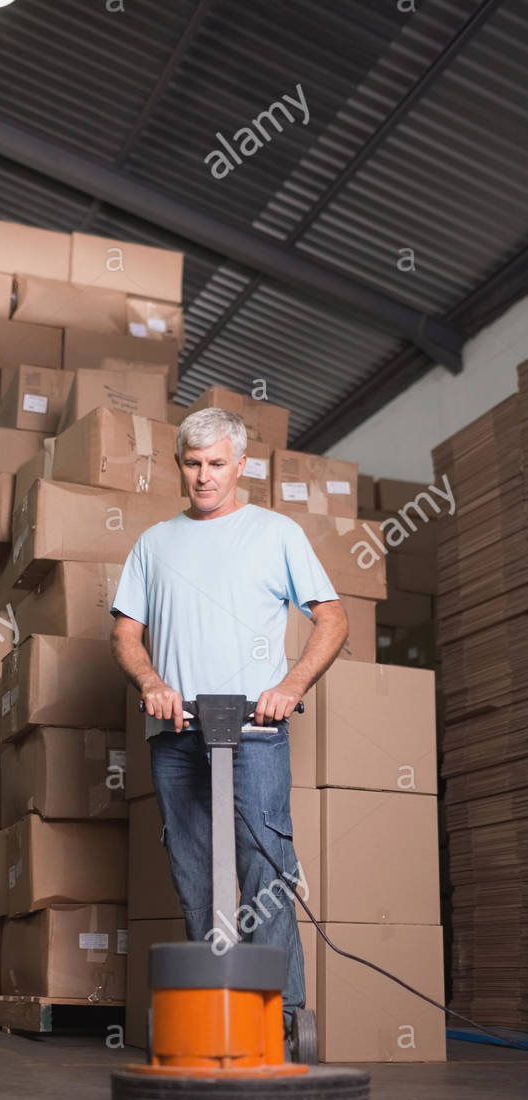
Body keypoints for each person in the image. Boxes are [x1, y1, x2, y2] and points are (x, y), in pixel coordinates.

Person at [109, 406, 348, 1033]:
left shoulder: (276, 533)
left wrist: (290, 684)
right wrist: (152, 682)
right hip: (178, 734)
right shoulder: (153, 544)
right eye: (193, 464)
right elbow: (125, 635)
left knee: (265, 872)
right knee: (194, 876)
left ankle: (280, 1021)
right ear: (179, 465)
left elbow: (333, 618)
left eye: (217, 464)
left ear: (241, 466)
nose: (204, 477)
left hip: (255, 733)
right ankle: (214, 1019)